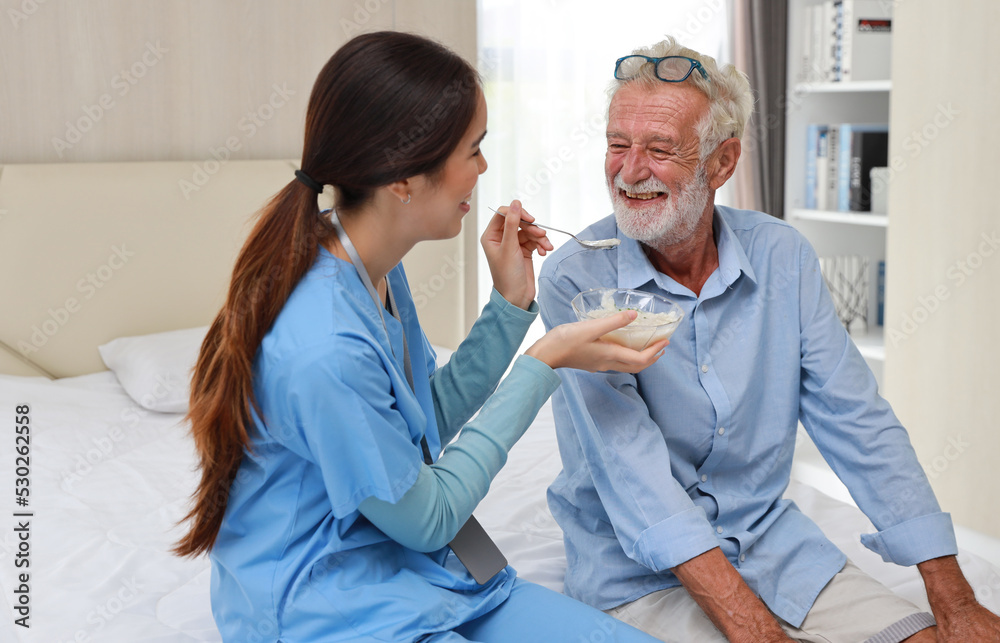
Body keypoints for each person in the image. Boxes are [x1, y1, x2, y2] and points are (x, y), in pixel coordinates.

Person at [170, 31, 667, 643]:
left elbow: (417, 422)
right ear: (403, 180)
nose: (483, 169)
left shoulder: (370, 267)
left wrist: (510, 305)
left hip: (413, 567)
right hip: (324, 609)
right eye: (473, 150)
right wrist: (545, 362)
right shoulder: (324, 345)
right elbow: (428, 517)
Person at [537, 36, 1000, 643]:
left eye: (660, 149)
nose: (629, 171)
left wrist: (953, 597)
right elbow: (631, 470)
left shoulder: (783, 255)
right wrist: (756, 629)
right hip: (637, 572)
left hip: (774, 546)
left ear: (723, 163)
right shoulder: (576, 279)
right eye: (617, 145)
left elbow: (857, 421)